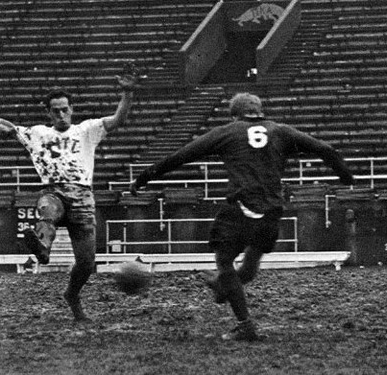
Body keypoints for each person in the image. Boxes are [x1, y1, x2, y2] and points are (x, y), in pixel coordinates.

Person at [130, 92, 354, 341]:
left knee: (224, 261)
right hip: (272, 209)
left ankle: (244, 323)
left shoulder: (228, 132)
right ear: (260, 111)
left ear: (235, 115)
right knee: (250, 264)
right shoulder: (281, 131)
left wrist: (145, 176)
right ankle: (225, 286)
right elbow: (325, 148)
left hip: (242, 206)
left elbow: (183, 155)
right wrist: (345, 176)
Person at [0, 63, 141, 321]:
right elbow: (10, 127)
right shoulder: (38, 133)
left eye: (65, 109)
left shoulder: (86, 130)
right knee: (47, 208)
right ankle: (42, 246)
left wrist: (127, 93)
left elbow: (118, 120)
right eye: (56, 111)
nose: (61, 114)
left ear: (71, 110)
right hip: (54, 191)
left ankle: (72, 294)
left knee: (86, 263)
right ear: (48, 113)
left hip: (83, 195)